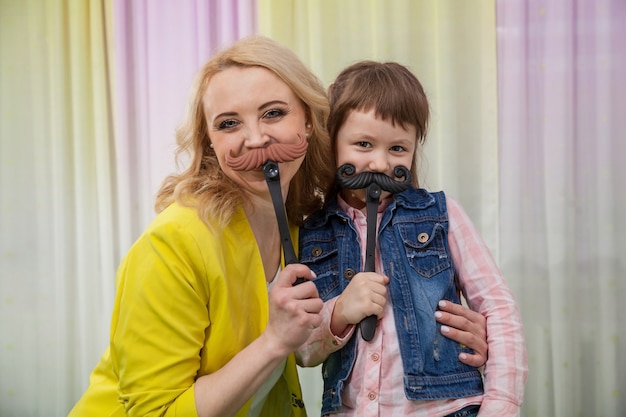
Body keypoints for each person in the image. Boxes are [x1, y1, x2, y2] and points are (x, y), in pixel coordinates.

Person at [69, 37, 490, 417]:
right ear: (211, 144)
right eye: (229, 123)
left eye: (273, 113)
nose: (255, 139)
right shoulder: (172, 245)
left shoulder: (301, 227)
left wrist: (453, 338)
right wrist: (275, 340)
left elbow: (334, 336)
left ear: (310, 122)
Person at [297, 61, 527, 417]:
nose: (379, 163)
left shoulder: (441, 214)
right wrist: (339, 311)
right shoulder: (313, 233)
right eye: (363, 144)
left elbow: (497, 307)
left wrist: (501, 404)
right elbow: (303, 351)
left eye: (398, 149)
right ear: (332, 143)